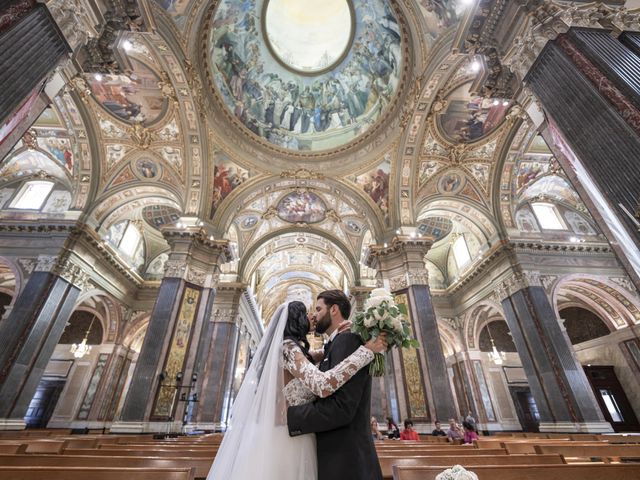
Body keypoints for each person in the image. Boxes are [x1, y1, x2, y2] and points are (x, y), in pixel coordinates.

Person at [207, 300, 387, 479]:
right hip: (289, 439)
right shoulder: (288, 348)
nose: (312, 316)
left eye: (315, 310)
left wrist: (345, 333)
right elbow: (321, 385)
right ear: (297, 319)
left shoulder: (292, 349)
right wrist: (365, 352)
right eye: (307, 312)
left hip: (299, 432)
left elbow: (318, 356)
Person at [288, 290, 385, 480]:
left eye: (318, 309)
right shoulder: (336, 344)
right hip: (341, 459)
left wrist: (290, 417)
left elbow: (341, 408)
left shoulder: (346, 341)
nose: (314, 315)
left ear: (333, 310)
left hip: (346, 462)